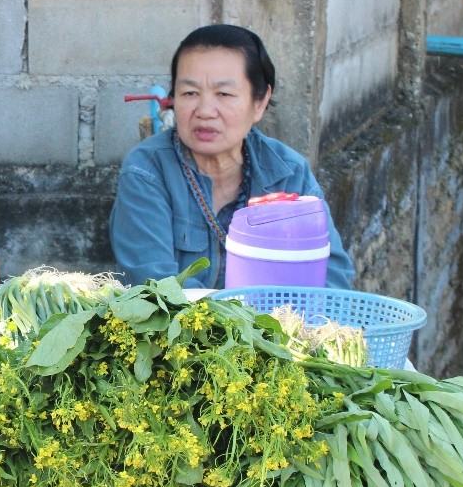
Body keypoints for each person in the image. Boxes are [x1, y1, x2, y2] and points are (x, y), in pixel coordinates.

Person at [109, 24, 355, 290]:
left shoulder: (289, 173)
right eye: (190, 93)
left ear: (259, 102)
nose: (205, 111)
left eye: (224, 94)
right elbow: (157, 284)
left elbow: (332, 278)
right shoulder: (146, 172)